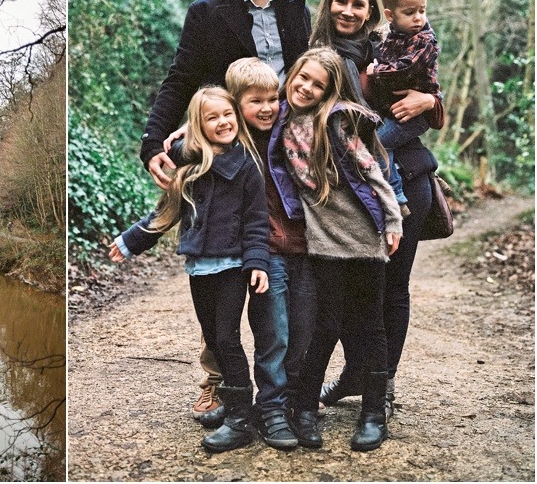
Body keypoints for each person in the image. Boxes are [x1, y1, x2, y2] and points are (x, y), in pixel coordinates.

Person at [137, 0, 311, 419]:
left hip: (285, 148)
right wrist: (152, 143)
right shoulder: (208, 12)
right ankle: (220, 382)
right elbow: (180, 77)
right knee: (221, 266)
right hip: (228, 146)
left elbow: (314, 74)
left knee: (276, 261)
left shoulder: (297, 8)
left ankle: (286, 389)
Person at [109, 87, 277, 453]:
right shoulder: (190, 166)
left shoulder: (246, 166)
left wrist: (258, 263)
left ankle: (240, 421)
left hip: (232, 265)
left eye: (227, 115)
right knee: (213, 338)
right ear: (198, 126)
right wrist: (129, 241)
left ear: (236, 116)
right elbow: (166, 213)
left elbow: (256, 221)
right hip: (199, 267)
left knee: (228, 338)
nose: (222, 123)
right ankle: (234, 405)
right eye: (211, 117)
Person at [309, 0, 443, 418]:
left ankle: (380, 384)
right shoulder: (317, 57)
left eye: (357, 4)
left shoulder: (390, 49)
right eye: (341, 2)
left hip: (408, 182)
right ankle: (356, 374)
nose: (348, 11)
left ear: (371, 13)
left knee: (392, 290)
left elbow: (427, 99)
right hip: (352, 194)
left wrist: (431, 103)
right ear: (329, 4)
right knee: (352, 291)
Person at [178, 58, 312, 450]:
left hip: (296, 245)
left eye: (274, 99)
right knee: (265, 334)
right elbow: (185, 148)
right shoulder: (231, 144)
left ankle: (285, 404)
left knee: (298, 332)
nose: (268, 107)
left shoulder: (285, 130)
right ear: (237, 105)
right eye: (256, 101)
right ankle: (259, 408)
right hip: (255, 252)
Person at [273, 47, 403, 451]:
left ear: (330, 92)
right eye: (303, 78)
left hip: (363, 237)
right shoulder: (276, 119)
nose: (307, 88)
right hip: (324, 242)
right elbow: (221, 117)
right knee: (324, 326)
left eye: (318, 84)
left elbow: (372, 171)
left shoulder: (335, 122)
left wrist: (393, 218)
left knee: (370, 326)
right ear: (291, 74)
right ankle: (306, 409)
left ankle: (373, 414)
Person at [365, 0, 441, 214]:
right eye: (410, 13)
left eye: (422, 10)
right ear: (390, 15)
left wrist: (376, 70)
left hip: (413, 117)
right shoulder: (390, 36)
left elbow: (404, 68)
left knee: (379, 144)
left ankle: (396, 196)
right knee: (381, 143)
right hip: (395, 113)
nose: (418, 18)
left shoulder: (423, 41)